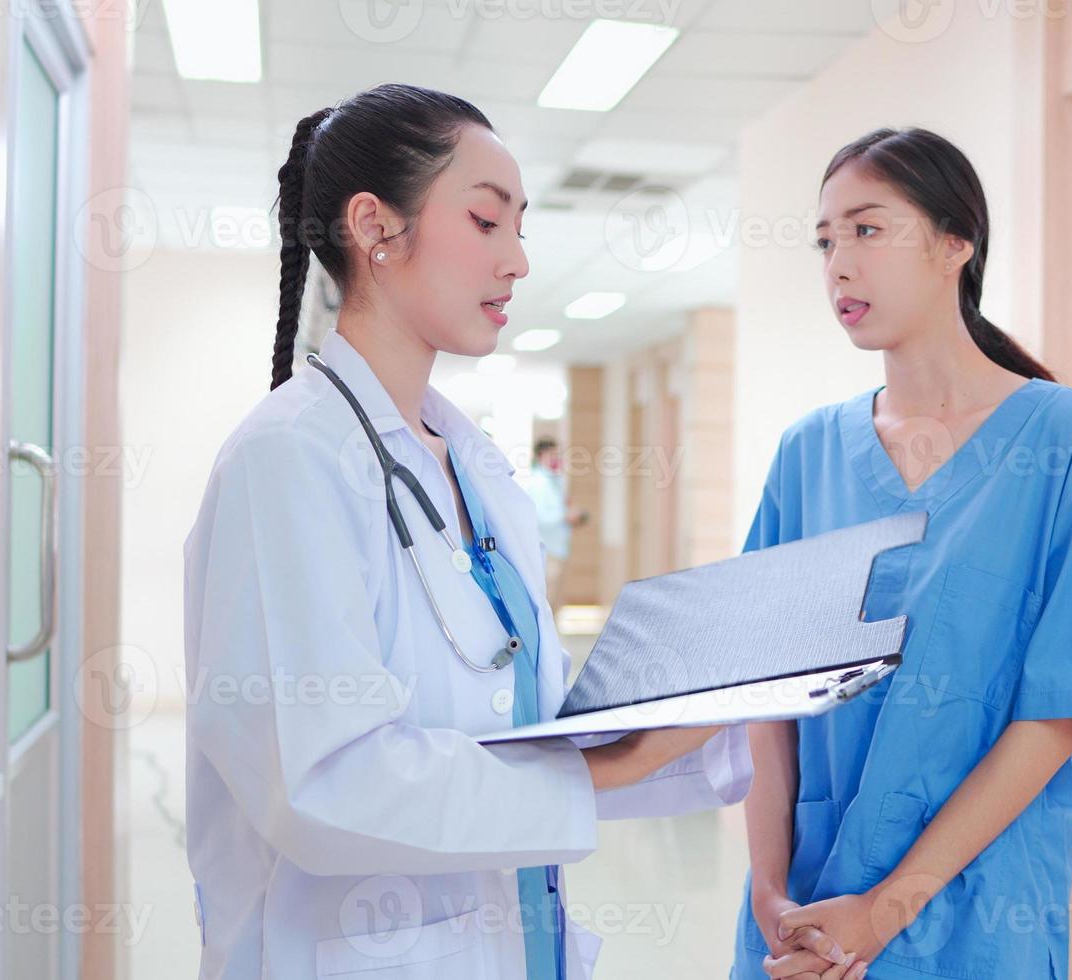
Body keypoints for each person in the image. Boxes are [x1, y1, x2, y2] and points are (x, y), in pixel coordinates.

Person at [183, 84, 750, 980]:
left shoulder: (474, 466)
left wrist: (690, 713)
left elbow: (512, 723)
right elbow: (322, 782)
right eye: (489, 223)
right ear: (375, 226)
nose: (519, 260)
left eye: (521, 227)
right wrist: (595, 776)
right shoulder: (289, 460)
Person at [732, 128, 1072, 980]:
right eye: (825, 240)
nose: (838, 263)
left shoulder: (1066, 442)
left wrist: (886, 911)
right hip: (805, 916)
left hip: (978, 911)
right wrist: (769, 891)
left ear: (957, 243)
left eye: (867, 230)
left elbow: (1059, 710)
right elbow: (764, 697)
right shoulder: (808, 456)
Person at [523, 437, 586, 612]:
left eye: (558, 454)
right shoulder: (539, 483)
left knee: (554, 601)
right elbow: (539, 516)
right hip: (547, 549)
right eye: (552, 454)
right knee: (547, 603)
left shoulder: (553, 481)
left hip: (557, 548)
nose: (557, 458)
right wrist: (566, 517)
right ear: (540, 456)